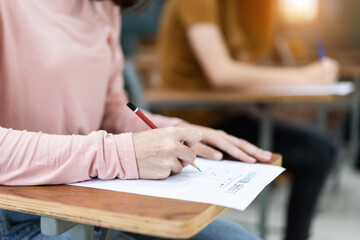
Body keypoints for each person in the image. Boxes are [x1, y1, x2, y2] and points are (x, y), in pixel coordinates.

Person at [0, 0, 273, 239]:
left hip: (94, 195)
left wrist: (175, 130)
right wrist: (119, 153)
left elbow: (111, 109)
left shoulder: (103, 6)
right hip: (18, 214)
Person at [158, 1, 339, 240]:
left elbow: (245, 60)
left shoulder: (232, 7)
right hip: (197, 121)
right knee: (317, 153)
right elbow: (221, 73)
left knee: (322, 149)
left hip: (224, 113)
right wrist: (305, 75)